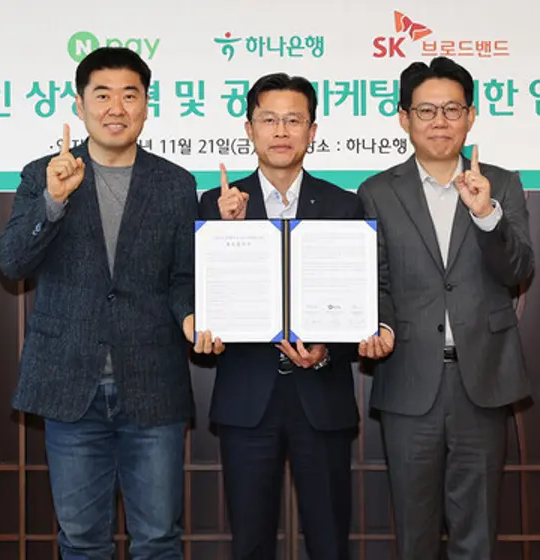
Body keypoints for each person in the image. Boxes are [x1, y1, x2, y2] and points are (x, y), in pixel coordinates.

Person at [0, 47, 197, 560]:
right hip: (69, 385)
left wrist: (192, 316)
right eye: (102, 95)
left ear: (146, 105)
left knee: (158, 540)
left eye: (130, 95)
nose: (116, 108)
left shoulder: (176, 184)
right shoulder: (43, 174)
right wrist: (53, 202)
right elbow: (12, 262)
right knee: (82, 542)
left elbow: (184, 278)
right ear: (79, 105)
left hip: (153, 386)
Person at [356, 56, 535, 559]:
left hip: (483, 379)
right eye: (427, 110)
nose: (440, 121)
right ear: (404, 117)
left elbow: (519, 270)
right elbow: (375, 280)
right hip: (409, 376)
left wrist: (487, 215)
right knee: (414, 531)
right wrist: (380, 324)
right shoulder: (376, 191)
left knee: (476, 531)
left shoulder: (500, 184)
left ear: (471, 116)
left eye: (453, 109)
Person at [194, 72, 364, 560]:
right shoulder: (217, 203)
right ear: (249, 129)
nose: (281, 131)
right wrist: (227, 229)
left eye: (294, 120)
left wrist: (328, 349)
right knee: (250, 541)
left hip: (322, 397)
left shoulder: (344, 205)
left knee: (330, 542)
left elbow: (358, 298)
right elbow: (200, 291)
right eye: (269, 120)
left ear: (313, 130)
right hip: (247, 397)